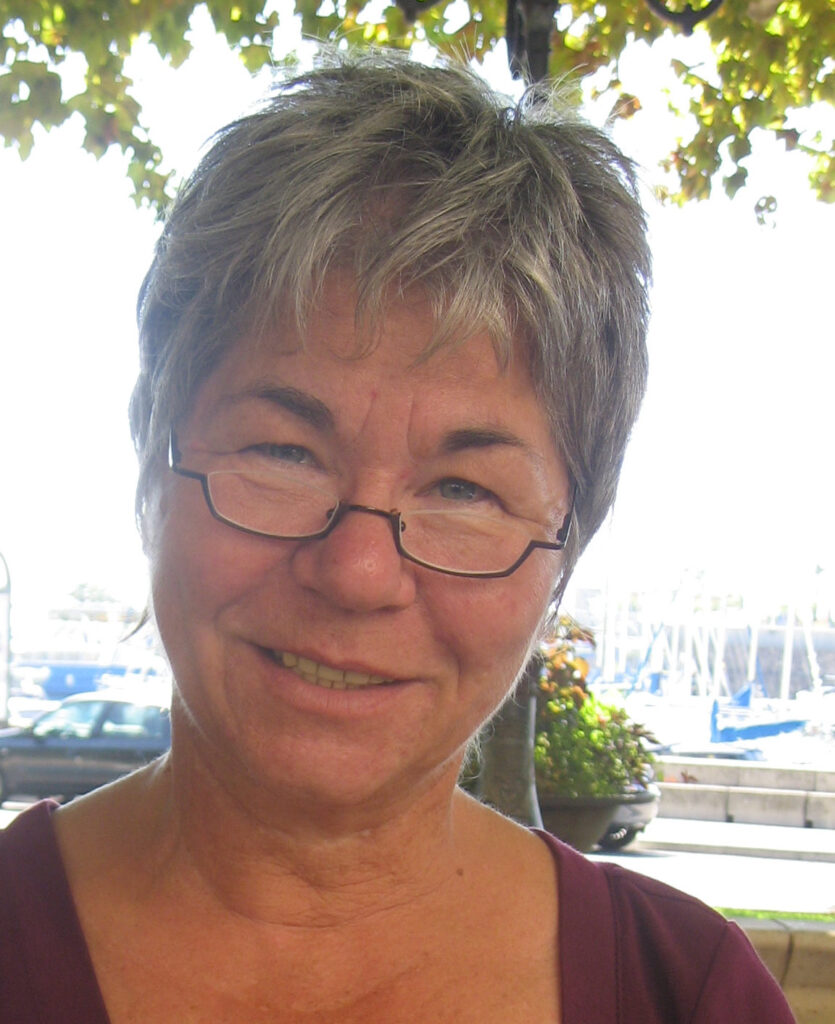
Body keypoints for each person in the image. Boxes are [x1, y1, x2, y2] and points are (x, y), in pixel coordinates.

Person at [0, 51, 795, 1024]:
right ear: (149, 459)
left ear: (564, 555)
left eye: (464, 489)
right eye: (283, 452)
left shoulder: (687, 993)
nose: (357, 570)